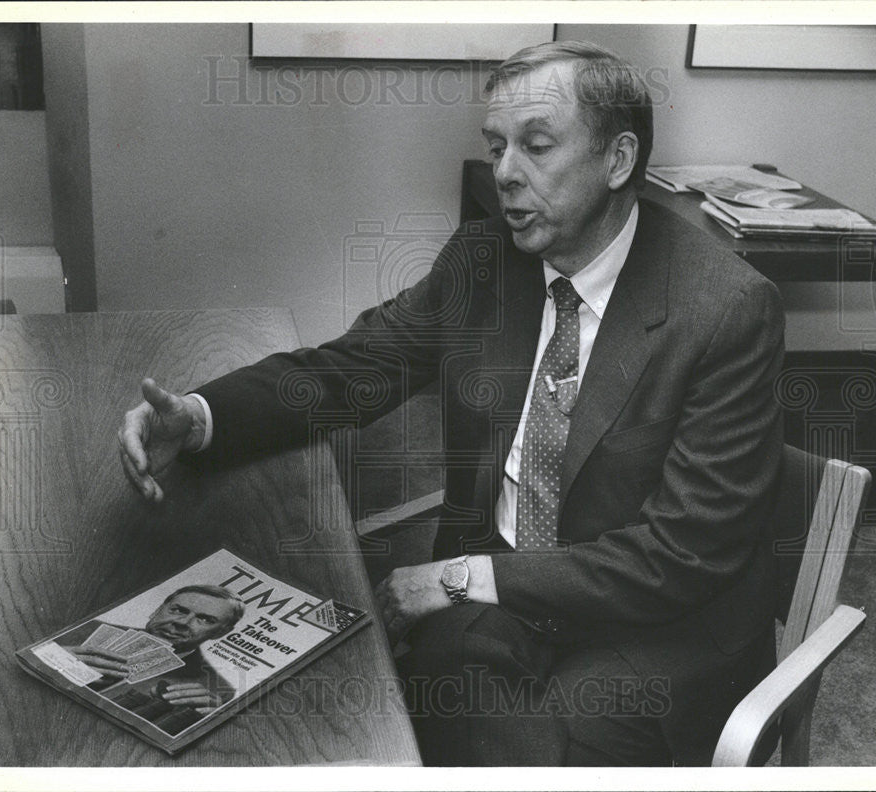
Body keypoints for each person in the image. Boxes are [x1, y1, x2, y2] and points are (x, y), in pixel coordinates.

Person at [118, 41, 784, 765]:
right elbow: (351, 369)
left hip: (648, 628)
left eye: (536, 146)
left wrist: (457, 578)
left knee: (536, 746)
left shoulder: (727, 309)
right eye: (497, 147)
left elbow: (678, 557)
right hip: (508, 585)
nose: (504, 174)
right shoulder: (482, 260)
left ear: (618, 160)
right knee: (400, 712)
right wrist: (200, 416)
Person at [61, 585, 244, 724]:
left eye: (205, 620)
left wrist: (203, 722)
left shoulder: (218, 691)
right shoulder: (83, 630)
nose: (182, 622)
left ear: (221, 633)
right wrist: (53, 657)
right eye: (179, 610)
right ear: (157, 610)